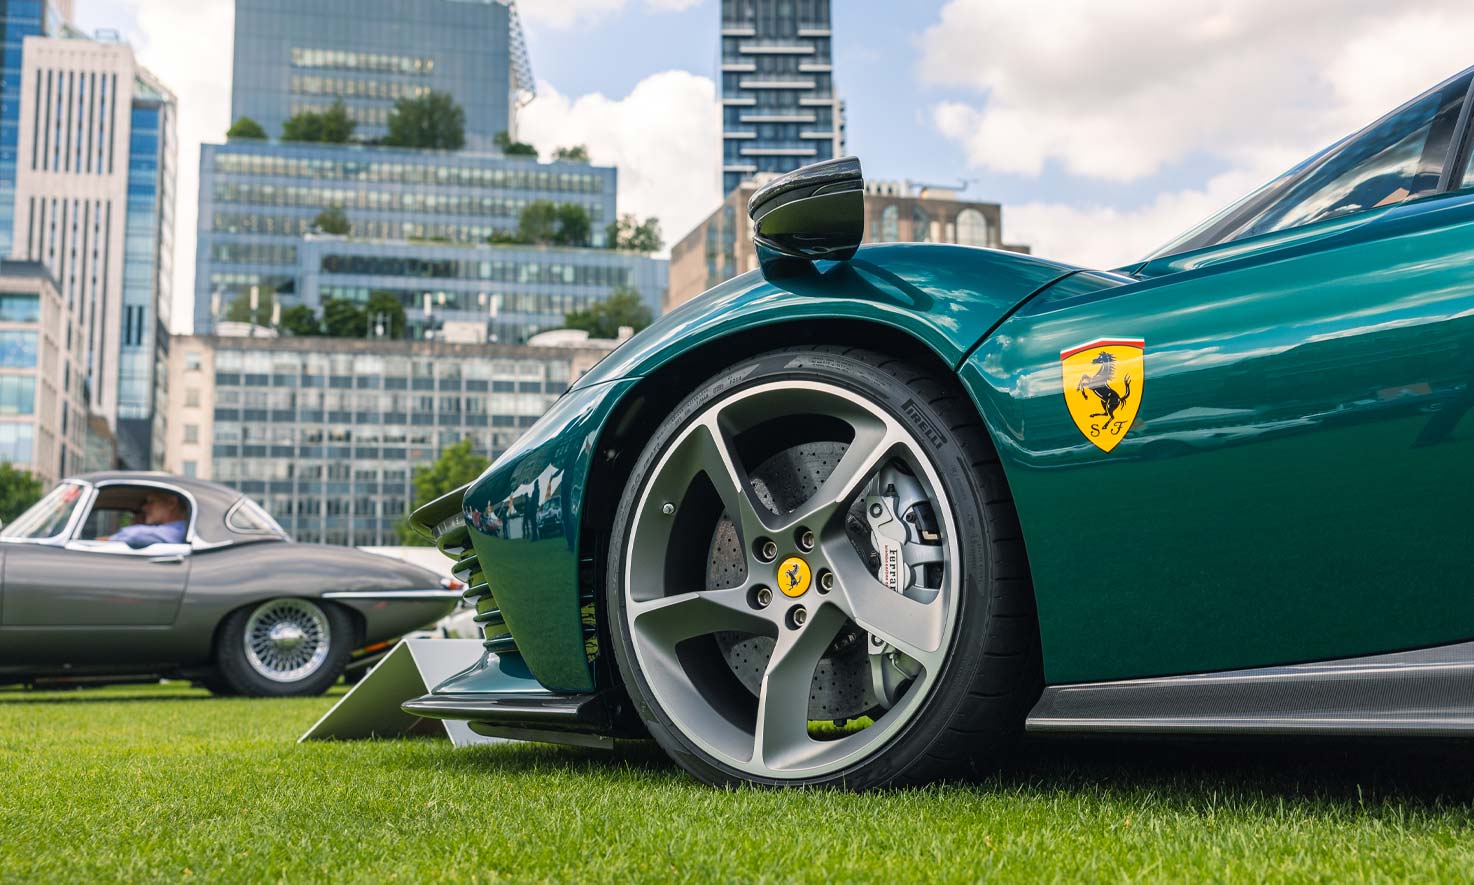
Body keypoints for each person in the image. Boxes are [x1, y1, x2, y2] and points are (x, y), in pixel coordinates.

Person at [105, 491, 189, 548]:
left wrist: (109, 539)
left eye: (151, 502)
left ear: (172, 502)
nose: (144, 508)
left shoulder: (180, 530)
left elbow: (136, 536)